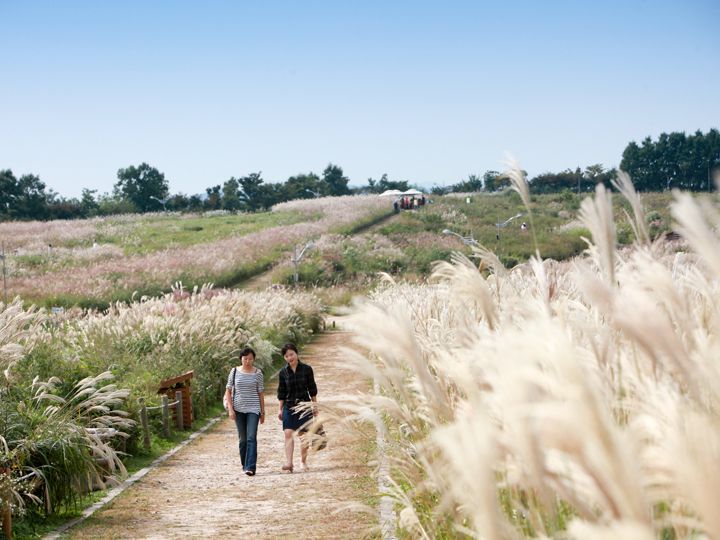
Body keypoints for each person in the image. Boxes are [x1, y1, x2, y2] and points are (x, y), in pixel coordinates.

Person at [276, 343, 318, 473]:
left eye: (291, 354)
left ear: (296, 353)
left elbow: (312, 389)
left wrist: (314, 406)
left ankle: (303, 461)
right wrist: (280, 409)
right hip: (289, 406)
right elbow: (281, 392)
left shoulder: (306, 369)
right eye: (287, 356)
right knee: (288, 433)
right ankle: (289, 463)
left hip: (304, 406)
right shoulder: (283, 372)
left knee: (303, 436)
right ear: (284, 358)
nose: (290, 357)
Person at [225, 347, 265, 476]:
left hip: (253, 409)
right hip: (238, 409)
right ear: (241, 358)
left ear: (254, 359)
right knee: (243, 440)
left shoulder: (257, 373)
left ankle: (250, 467)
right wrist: (231, 409)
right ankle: (244, 464)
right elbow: (228, 391)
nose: (248, 361)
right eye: (245, 358)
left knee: (251, 437)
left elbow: (260, 393)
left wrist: (262, 412)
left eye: (250, 359)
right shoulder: (234, 371)